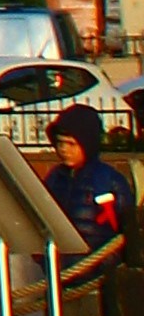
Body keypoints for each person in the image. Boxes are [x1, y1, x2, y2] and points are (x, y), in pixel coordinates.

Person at [41, 103, 133, 266]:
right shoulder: (54, 178)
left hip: (100, 276)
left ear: (87, 144)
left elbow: (128, 232)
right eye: (60, 143)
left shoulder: (111, 181)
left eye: (71, 144)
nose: (63, 149)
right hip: (59, 275)